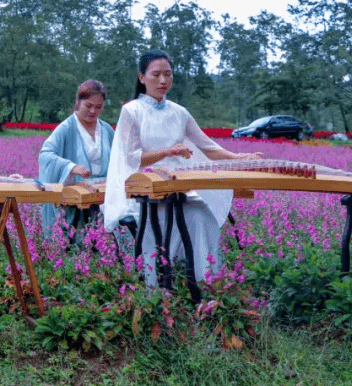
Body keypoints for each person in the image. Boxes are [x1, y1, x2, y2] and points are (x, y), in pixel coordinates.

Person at [104, 51, 261, 286]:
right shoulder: (132, 111)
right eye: (155, 75)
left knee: (202, 218)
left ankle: (204, 283)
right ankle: (160, 285)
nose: (162, 81)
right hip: (147, 190)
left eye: (168, 75)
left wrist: (239, 158)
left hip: (178, 186)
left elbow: (209, 147)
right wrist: (169, 151)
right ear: (142, 78)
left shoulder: (179, 112)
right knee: (164, 226)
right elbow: (133, 157)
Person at [38, 80, 114, 239]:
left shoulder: (106, 129)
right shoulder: (66, 128)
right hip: (76, 196)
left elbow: (118, 158)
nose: (93, 111)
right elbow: (45, 155)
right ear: (78, 102)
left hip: (103, 195)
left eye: (98, 107)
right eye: (88, 105)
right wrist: (71, 167)